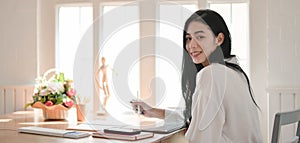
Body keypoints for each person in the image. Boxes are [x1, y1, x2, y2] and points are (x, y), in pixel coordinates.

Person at [131, 9, 263, 142]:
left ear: (219, 39)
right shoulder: (235, 73)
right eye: (188, 38)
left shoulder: (212, 74)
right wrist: (153, 111)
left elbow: (200, 138)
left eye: (200, 37)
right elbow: (196, 118)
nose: (191, 45)